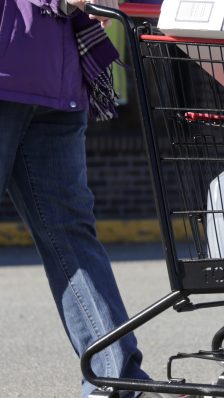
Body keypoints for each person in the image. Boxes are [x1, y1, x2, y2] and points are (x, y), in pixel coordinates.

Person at [0, 0, 185, 397]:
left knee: (71, 234)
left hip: (60, 83)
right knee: (71, 234)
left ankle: (116, 379)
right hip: (12, 66)